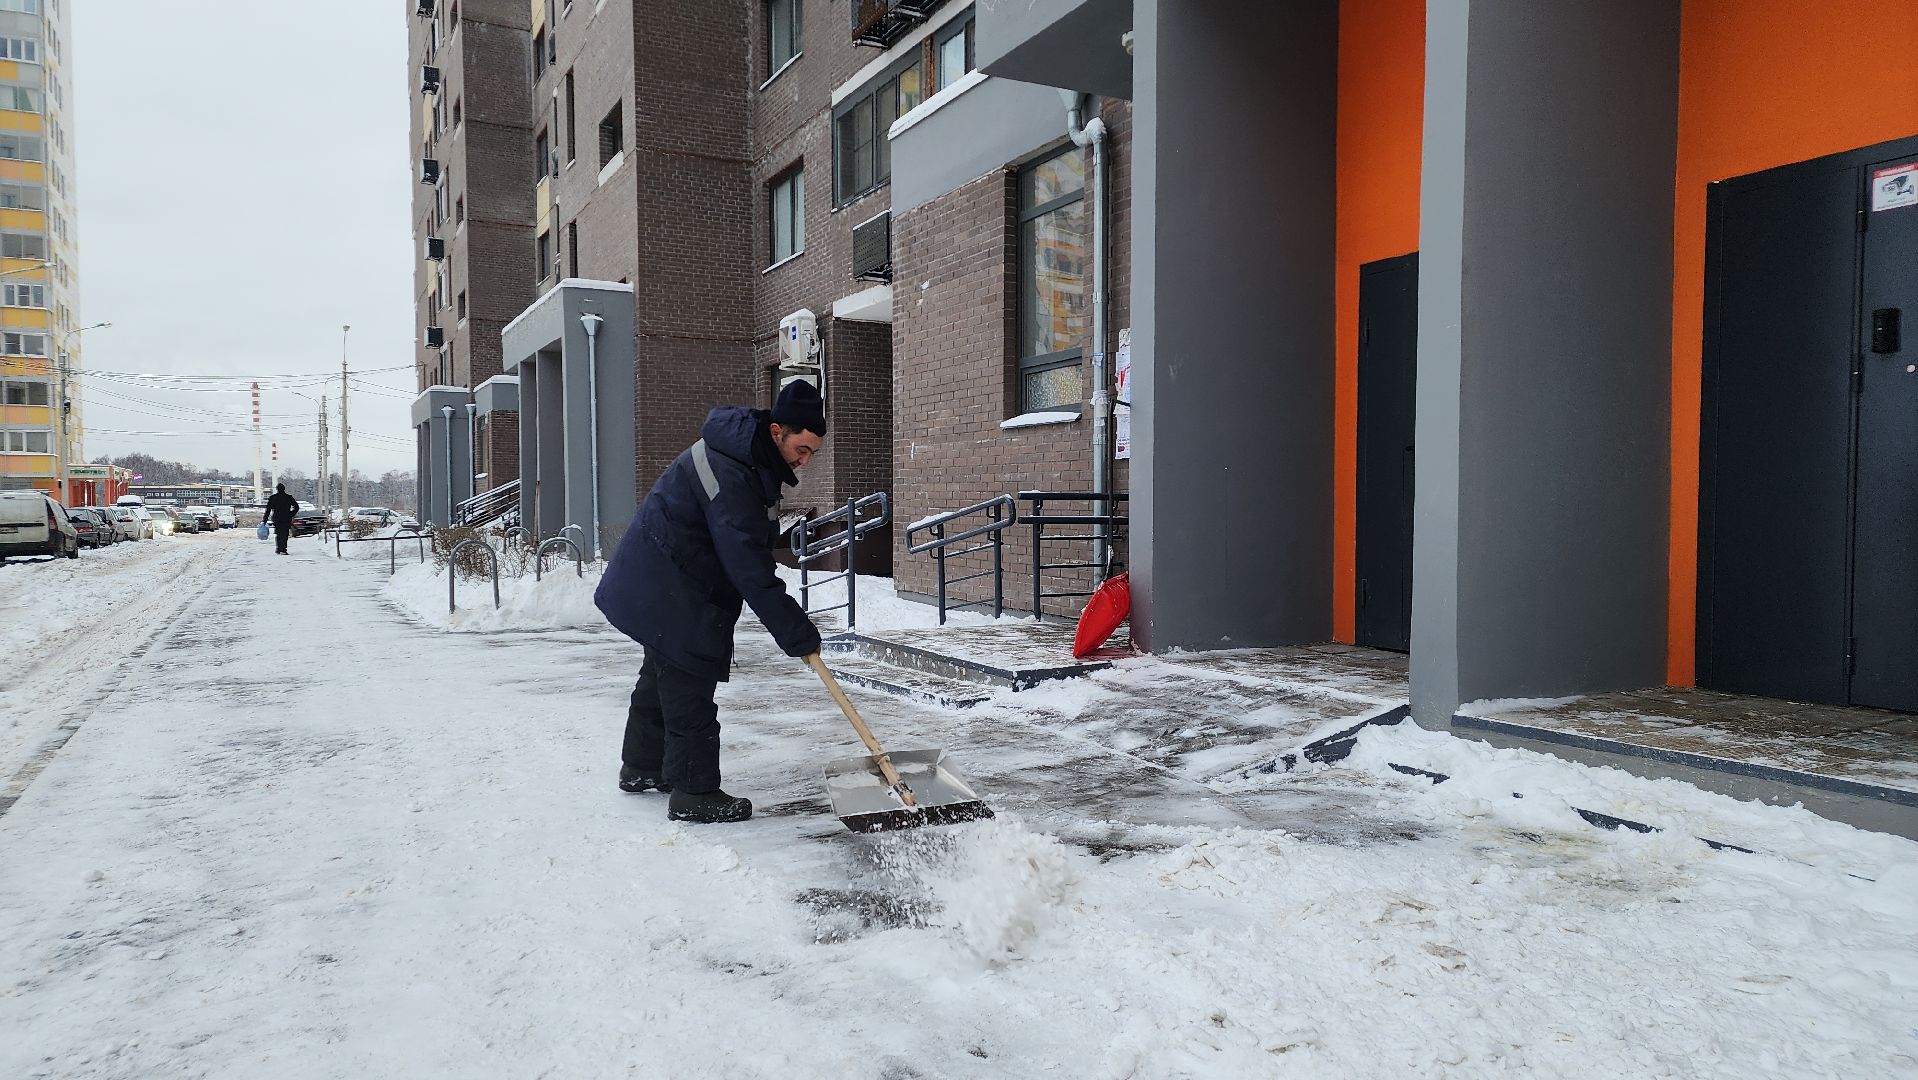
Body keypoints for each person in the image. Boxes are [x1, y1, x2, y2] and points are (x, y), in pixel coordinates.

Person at [594, 380, 826, 824]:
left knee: (660, 674)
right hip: (671, 583)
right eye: (802, 448)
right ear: (776, 431)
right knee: (688, 680)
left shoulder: (745, 458)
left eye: (812, 452)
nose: (804, 460)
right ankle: (693, 791)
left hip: (663, 577)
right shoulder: (732, 469)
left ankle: (642, 766)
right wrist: (796, 632)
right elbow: (747, 565)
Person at [264, 483, 298, 555]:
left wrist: (265, 520)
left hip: (277, 518)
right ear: (284, 489)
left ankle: (279, 548)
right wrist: (291, 514)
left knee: (278, 533)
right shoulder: (289, 497)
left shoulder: (273, 498)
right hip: (286, 518)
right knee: (285, 534)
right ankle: (283, 549)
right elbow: (296, 507)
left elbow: (268, 510)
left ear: (277, 489)